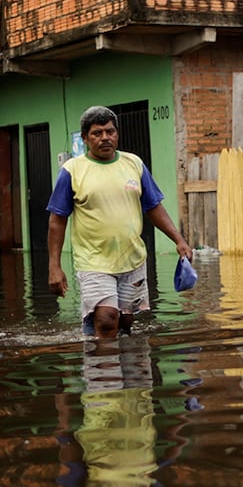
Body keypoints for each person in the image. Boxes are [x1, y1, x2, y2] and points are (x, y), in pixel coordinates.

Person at [46, 105, 193, 339]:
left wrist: (179, 240)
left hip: (132, 259)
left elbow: (153, 206)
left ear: (116, 133)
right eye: (97, 133)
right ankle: (104, 374)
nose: (105, 137)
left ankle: (127, 370)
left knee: (125, 322)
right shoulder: (72, 170)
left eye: (110, 131)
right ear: (85, 138)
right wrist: (54, 266)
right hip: (93, 261)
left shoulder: (133, 164)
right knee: (106, 320)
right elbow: (57, 220)